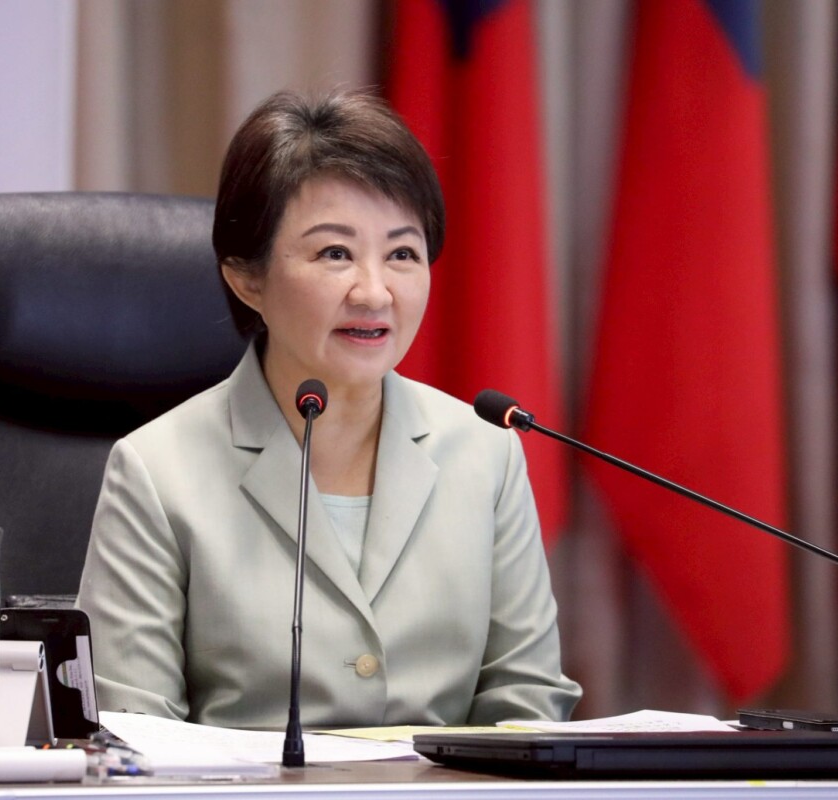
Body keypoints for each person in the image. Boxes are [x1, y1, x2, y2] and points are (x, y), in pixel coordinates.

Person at [76, 88, 581, 728]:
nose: (374, 292)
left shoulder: (486, 455)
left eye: (402, 254)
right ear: (247, 277)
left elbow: (527, 707)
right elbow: (134, 733)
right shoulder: (155, 471)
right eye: (334, 253)